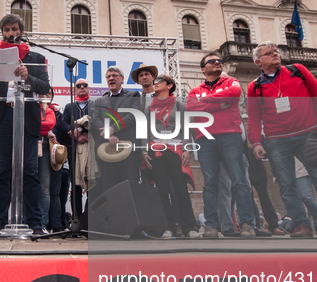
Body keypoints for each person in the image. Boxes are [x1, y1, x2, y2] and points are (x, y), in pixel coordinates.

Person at [247, 41, 317, 238]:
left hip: (309, 134)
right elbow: (254, 117)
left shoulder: (298, 70)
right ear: (258, 61)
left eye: (276, 51)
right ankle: (302, 226)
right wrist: (256, 142)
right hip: (277, 140)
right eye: (268, 53)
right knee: (286, 185)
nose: (275, 54)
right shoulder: (254, 87)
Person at [0, 14, 50, 236]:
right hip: (1, 119)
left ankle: (35, 224)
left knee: (30, 172)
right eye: (7, 29)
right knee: (1, 173)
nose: (11, 33)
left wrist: (27, 77)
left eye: (14, 28)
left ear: (22, 31)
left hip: (26, 119)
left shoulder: (36, 57)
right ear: (2, 33)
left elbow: (45, 86)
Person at [186, 52, 256, 238]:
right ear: (203, 69)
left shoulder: (231, 82)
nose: (217, 63)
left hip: (230, 136)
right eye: (212, 61)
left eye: (219, 61)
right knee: (210, 184)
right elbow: (191, 108)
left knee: (239, 180)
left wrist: (206, 102)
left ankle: (247, 224)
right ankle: (211, 226)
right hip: (205, 138)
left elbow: (234, 94)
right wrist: (220, 103)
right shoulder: (194, 91)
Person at [142, 74, 199, 239]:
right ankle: (168, 228)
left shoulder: (179, 106)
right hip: (156, 149)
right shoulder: (149, 108)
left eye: (159, 81)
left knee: (180, 188)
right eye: (156, 82)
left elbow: (187, 128)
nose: (156, 83)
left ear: (169, 86)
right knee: (162, 189)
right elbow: (144, 131)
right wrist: (144, 152)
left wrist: (187, 149)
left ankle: (189, 227)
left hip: (176, 148)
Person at [90, 66, 141, 193]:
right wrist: (108, 135)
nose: (111, 78)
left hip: (128, 151)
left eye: (114, 75)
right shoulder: (99, 101)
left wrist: (113, 128)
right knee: (109, 189)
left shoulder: (133, 95)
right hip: (106, 151)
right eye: (108, 76)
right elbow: (95, 120)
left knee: (130, 188)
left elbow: (133, 115)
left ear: (122, 79)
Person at [59, 78, 90, 218]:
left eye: (85, 85)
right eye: (79, 85)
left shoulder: (95, 105)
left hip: (91, 148)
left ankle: (89, 220)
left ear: (89, 88)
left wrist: (84, 133)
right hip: (74, 149)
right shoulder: (69, 106)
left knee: (92, 185)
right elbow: (63, 123)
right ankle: (76, 220)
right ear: (75, 89)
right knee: (76, 186)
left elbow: (99, 121)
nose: (82, 87)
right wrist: (76, 134)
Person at [37, 89, 63, 232]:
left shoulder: (53, 112)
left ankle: (42, 225)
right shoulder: (32, 107)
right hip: (26, 145)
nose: (46, 95)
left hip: (46, 148)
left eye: (49, 93)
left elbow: (49, 125)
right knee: (26, 186)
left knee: (44, 189)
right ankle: (27, 222)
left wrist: (40, 129)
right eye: (43, 92)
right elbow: (25, 124)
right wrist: (45, 132)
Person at [295, 158, 317, 236]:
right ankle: (302, 225)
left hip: (300, 168)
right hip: (285, 168)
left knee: (305, 196)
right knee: (294, 199)